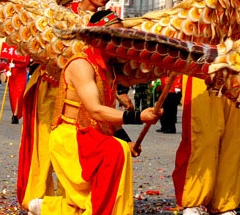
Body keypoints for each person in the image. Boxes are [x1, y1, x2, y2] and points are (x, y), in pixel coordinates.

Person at [17, 0, 115, 210]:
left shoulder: (108, 21)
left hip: (85, 93)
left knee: (75, 147)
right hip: (50, 87)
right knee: (44, 144)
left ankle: (71, 200)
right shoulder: (61, 13)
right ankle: (36, 199)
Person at [26, 41, 161, 215]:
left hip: (93, 138)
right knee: (115, 151)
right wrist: (138, 117)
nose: (120, 44)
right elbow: (96, 110)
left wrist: (127, 140)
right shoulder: (81, 64)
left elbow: (108, 112)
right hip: (71, 138)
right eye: (115, 39)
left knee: (92, 201)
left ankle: (45, 208)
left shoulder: (110, 69)